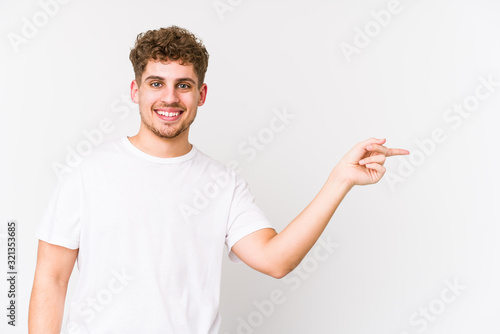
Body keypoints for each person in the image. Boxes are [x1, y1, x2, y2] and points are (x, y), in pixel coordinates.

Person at [28, 26, 409, 334]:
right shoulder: (88, 172)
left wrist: (339, 179)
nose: (170, 98)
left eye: (184, 84)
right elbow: (51, 278)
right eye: (157, 83)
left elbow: (276, 260)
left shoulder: (222, 186)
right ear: (136, 91)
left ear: (201, 94)